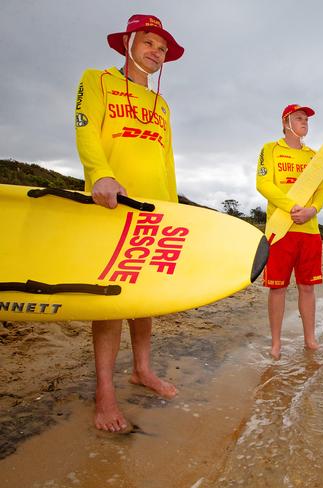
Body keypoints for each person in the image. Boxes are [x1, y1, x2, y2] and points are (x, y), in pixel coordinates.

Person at [74, 14, 184, 432]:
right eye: (149, 43)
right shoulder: (96, 80)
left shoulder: (162, 105)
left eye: (162, 48)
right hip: (110, 203)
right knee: (111, 298)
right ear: (129, 42)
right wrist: (99, 174)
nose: (156, 52)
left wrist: (173, 209)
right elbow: (85, 130)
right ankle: (105, 392)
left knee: (144, 294)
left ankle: (142, 369)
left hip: (153, 209)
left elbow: (166, 159)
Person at [256, 104, 323, 359]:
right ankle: (276, 343)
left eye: (306, 119)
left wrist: (312, 210)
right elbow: (263, 183)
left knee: (308, 287)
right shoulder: (270, 149)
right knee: (278, 288)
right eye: (299, 117)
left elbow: (321, 190)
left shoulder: (314, 156)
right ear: (286, 122)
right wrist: (291, 207)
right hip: (280, 229)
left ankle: (310, 339)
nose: (305, 121)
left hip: (309, 230)